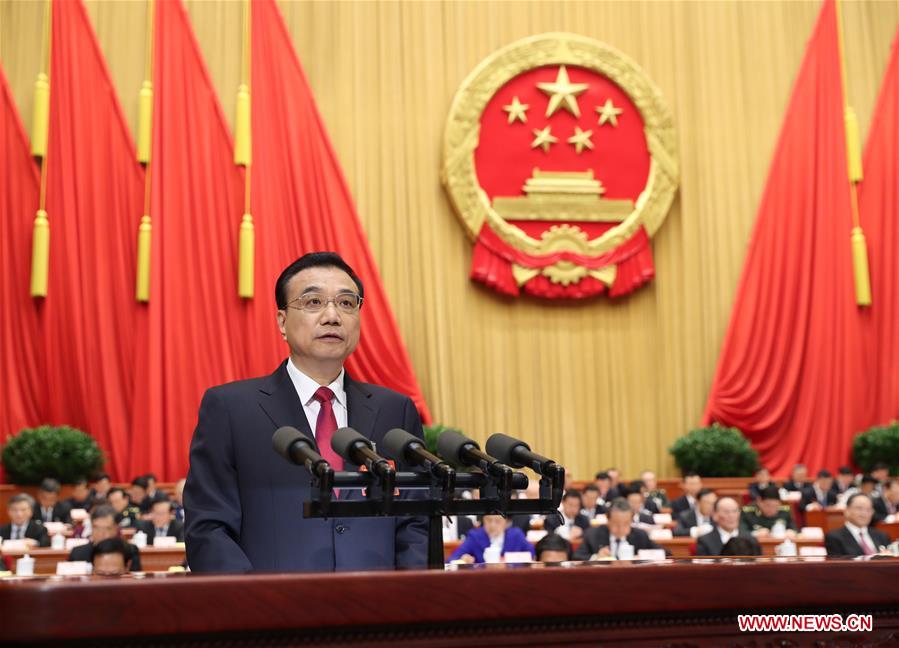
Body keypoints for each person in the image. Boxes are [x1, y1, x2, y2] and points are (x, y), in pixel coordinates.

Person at [184, 252, 428, 572]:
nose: (332, 316)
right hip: (273, 613)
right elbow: (208, 528)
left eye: (346, 303)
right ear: (282, 322)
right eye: (313, 302)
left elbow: (417, 523)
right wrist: (251, 606)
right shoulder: (231, 409)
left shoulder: (395, 410)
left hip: (377, 611)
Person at [573, 499, 665, 560]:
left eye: (626, 524)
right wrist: (596, 557)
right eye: (616, 523)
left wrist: (642, 556)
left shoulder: (640, 535)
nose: (621, 528)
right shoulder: (593, 534)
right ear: (608, 520)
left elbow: (665, 553)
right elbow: (576, 557)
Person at [67, 505, 142, 571]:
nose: (101, 534)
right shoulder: (78, 553)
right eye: (97, 528)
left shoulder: (130, 551)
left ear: (116, 528)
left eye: (107, 528)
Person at [446, 514, 534, 564]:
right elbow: (452, 558)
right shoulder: (475, 536)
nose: (492, 525)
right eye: (489, 520)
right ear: (483, 520)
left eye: (497, 521)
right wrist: (463, 559)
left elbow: (531, 554)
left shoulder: (516, 535)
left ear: (506, 522)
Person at [824, 493, 891, 557]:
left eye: (868, 509)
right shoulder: (835, 538)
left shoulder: (882, 536)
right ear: (847, 511)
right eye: (859, 508)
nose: (864, 513)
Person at [696, 497, 761, 556]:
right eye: (726, 512)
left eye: (735, 511)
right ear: (715, 515)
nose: (731, 516)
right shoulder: (705, 542)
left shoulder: (751, 539)